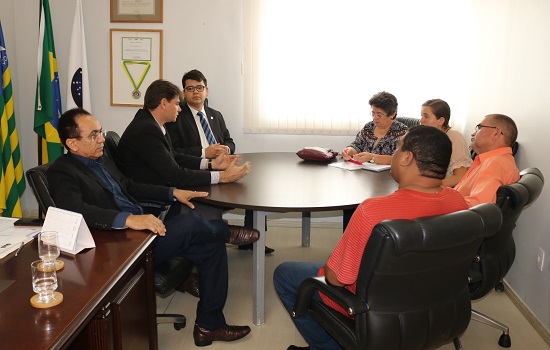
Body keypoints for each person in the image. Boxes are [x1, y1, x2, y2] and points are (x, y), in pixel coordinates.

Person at [48, 108, 259, 346]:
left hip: (143, 231)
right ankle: (225, 231)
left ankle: (209, 326)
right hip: (118, 245)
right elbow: (77, 211)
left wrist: (172, 192)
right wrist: (128, 220)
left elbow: (130, 186)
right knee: (191, 223)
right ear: (72, 143)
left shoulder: (102, 160)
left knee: (212, 246)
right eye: (94, 135)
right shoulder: (62, 172)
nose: (102, 139)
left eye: (101, 132)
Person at [274, 125, 469, 350]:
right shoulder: (458, 203)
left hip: (373, 308)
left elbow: (337, 278)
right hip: (432, 301)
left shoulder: (374, 211)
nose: (394, 156)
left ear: (406, 158)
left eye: (397, 150)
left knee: (284, 274)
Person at [165, 70, 274, 254]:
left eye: (199, 87)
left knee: (254, 185)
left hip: (222, 164)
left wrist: (227, 149)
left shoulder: (216, 115)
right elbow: (174, 152)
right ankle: (216, 236)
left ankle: (252, 240)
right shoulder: (176, 118)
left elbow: (230, 141)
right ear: (184, 93)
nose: (195, 92)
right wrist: (203, 153)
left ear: (206, 90)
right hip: (198, 171)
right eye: (190, 88)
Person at [455, 114, 520, 207]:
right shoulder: (495, 161)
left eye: (479, 128)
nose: (473, 133)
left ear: (496, 133)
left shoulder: (495, 164)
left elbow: (475, 208)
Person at [342, 91, 408, 165]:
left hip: (387, 175)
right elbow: (357, 146)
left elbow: (399, 158)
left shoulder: (402, 132)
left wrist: (372, 157)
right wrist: (348, 151)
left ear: (392, 114)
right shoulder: (369, 127)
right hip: (364, 172)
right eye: (373, 114)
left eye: (379, 115)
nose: (375, 118)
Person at [419, 98, 472, 187]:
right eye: (421, 116)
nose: (421, 120)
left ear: (441, 121)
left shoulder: (454, 136)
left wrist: (430, 187)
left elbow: (460, 176)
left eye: (426, 116)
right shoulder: (429, 136)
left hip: (449, 189)